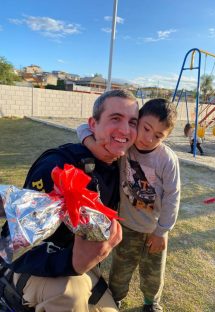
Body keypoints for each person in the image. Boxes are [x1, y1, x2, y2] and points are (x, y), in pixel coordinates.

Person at [3, 89, 139, 312]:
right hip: (30, 266)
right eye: (115, 118)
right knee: (70, 295)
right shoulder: (57, 168)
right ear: (92, 125)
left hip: (80, 265)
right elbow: (16, 247)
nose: (125, 129)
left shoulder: (120, 167)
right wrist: (74, 263)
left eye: (132, 122)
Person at [77, 98, 181, 312]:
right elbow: (82, 127)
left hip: (154, 230)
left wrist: (162, 231)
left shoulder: (167, 160)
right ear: (138, 121)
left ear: (167, 137)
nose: (149, 138)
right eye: (146, 128)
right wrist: (91, 142)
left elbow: (173, 196)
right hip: (126, 227)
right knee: (120, 268)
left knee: (153, 272)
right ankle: (115, 298)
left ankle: (151, 303)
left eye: (159, 136)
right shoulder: (127, 144)